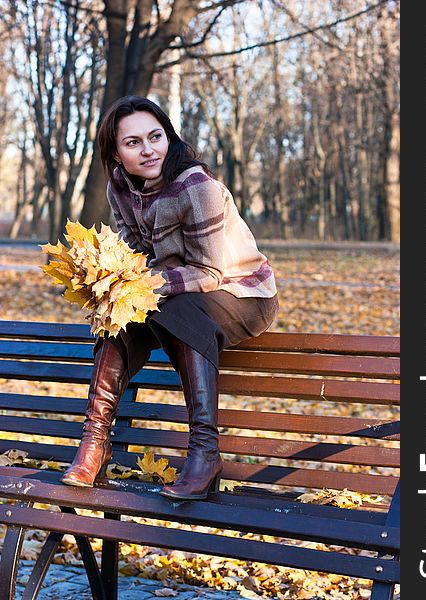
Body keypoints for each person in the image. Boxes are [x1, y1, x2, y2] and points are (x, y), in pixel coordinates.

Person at [61, 95, 279, 500]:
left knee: (165, 304)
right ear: (115, 153)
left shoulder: (197, 187)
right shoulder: (120, 187)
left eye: (155, 137)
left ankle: (204, 451)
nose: (148, 150)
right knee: (118, 315)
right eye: (133, 143)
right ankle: (95, 442)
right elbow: (131, 251)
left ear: (168, 137)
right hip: (173, 297)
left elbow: (210, 272)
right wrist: (118, 287)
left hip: (241, 293)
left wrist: (142, 286)